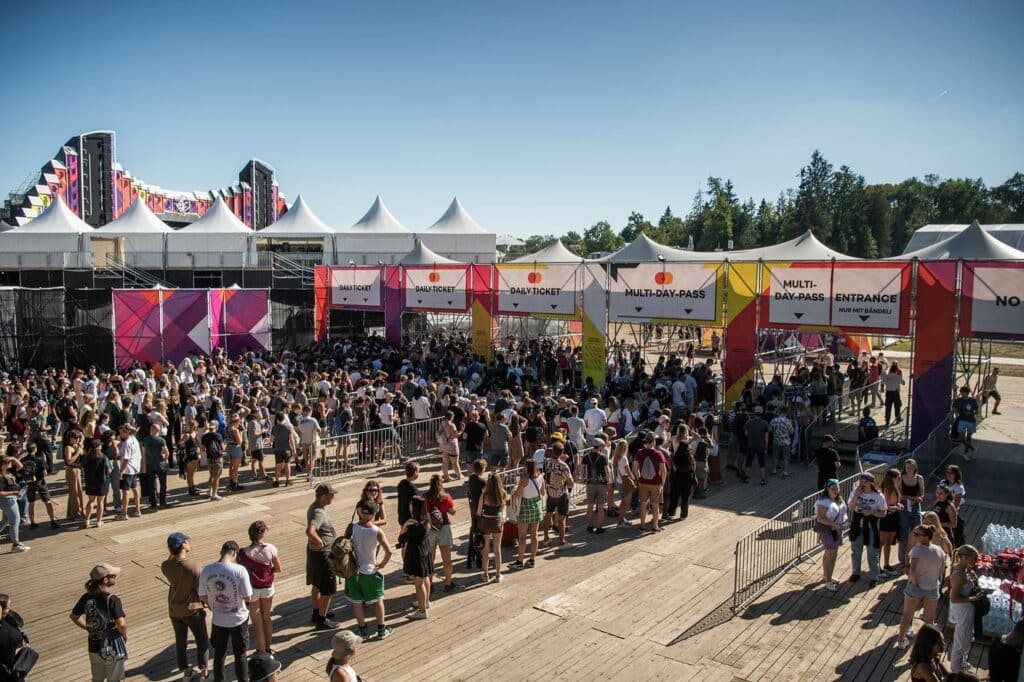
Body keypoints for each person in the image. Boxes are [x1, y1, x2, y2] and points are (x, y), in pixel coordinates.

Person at [198, 541, 252, 682]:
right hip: (238, 619)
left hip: (218, 620)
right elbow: (248, 596)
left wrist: (213, 606)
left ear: (221, 552)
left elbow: (202, 596)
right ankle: (243, 680)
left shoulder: (206, 570)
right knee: (240, 653)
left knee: (219, 653)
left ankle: (219, 680)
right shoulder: (240, 570)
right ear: (234, 553)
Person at [160, 532, 209, 680]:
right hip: (192, 610)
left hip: (174, 610)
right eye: (187, 541)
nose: (189, 543)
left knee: (180, 641)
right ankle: (204, 671)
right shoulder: (193, 567)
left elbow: (168, 561)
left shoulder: (166, 566)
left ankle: (186, 671)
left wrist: (171, 553)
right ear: (182, 545)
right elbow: (201, 590)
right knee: (202, 641)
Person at [69, 563, 127, 682]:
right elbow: (121, 624)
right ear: (105, 580)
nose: (115, 577)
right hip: (111, 646)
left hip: (94, 646)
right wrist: (124, 635)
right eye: (113, 575)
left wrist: (89, 627)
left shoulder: (86, 597)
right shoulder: (112, 599)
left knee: (97, 679)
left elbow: (74, 616)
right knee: (115, 678)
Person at [346, 499, 393, 640]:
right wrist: (382, 564)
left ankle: (363, 630)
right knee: (378, 600)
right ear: (373, 514)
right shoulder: (376, 531)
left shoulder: (352, 528)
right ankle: (381, 630)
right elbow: (389, 551)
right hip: (370, 570)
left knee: (357, 602)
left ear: (360, 512)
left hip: (353, 571)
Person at [896, 525, 947, 650]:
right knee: (930, 620)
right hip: (932, 587)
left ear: (925, 536)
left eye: (917, 534)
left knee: (907, 615)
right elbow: (941, 570)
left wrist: (913, 583)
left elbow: (912, 570)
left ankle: (901, 641)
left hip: (916, 586)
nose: (914, 536)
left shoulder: (917, 550)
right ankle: (927, 646)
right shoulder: (939, 550)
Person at [237, 521, 281, 655]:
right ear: (262, 533)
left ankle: (261, 650)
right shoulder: (270, 549)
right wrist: (268, 572)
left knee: (256, 621)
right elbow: (278, 568)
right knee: (266, 617)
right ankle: (268, 647)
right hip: (267, 587)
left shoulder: (244, 552)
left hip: (252, 588)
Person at [306, 483, 339, 630]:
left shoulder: (314, 507)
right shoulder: (318, 512)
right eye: (331, 494)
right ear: (323, 496)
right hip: (323, 556)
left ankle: (316, 611)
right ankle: (322, 619)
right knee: (328, 589)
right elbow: (310, 531)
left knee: (317, 584)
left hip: (315, 554)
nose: (333, 497)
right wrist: (319, 542)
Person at [948, 544, 983, 674]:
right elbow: (954, 598)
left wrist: (973, 577)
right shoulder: (959, 576)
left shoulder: (964, 571)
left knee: (966, 637)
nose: (975, 562)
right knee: (961, 640)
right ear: (964, 557)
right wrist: (972, 599)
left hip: (966, 609)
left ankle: (962, 663)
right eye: (973, 559)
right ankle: (956, 671)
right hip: (963, 610)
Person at [848, 472, 887, 587]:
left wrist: (871, 512)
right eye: (861, 481)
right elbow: (850, 507)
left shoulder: (878, 496)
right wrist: (856, 495)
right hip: (857, 525)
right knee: (856, 550)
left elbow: (884, 513)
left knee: (872, 552)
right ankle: (856, 572)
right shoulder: (854, 492)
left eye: (865, 482)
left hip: (871, 527)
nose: (862, 484)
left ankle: (874, 576)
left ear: (871, 483)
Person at [398, 495, 433, 619]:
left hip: (417, 554)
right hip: (425, 551)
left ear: (415, 507)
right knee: (425, 578)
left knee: (418, 584)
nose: (409, 506)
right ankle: (426, 601)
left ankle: (422, 611)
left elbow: (401, 539)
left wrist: (404, 527)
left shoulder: (414, 525)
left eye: (411, 504)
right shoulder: (427, 519)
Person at [424, 475, 457, 592]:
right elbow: (453, 512)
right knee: (446, 559)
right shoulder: (446, 497)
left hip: (430, 529)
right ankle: (448, 582)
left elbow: (424, 512)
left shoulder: (426, 497)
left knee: (430, 559)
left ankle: (430, 584)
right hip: (444, 527)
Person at [814, 478, 847, 591]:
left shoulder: (839, 500)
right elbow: (820, 518)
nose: (836, 490)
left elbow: (843, 513)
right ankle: (828, 581)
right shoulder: (823, 502)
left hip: (837, 531)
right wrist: (834, 524)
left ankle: (826, 576)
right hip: (828, 532)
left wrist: (844, 522)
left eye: (837, 488)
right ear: (827, 489)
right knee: (831, 556)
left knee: (828, 555)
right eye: (833, 488)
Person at [511, 459, 544, 569]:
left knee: (522, 537)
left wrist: (514, 490)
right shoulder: (541, 477)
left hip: (525, 508)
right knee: (534, 535)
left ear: (526, 468)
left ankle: (520, 561)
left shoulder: (524, 480)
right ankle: (532, 560)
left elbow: (517, 494)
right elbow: (543, 493)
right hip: (536, 506)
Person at [633, 432, 668, 532]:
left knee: (643, 504)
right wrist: (662, 483)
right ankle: (655, 526)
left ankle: (642, 526)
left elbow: (635, 468)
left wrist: (639, 478)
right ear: (653, 442)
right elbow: (663, 470)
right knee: (655, 505)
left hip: (643, 482)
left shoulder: (639, 452)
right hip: (656, 483)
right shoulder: (659, 454)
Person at [477, 473, 508, 583]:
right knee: (497, 549)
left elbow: (478, 511)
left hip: (486, 521)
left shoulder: (484, 495)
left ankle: (485, 575)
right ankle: (498, 574)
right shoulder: (503, 493)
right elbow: (503, 508)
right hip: (497, 521)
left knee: (485, 550)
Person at [20, 441, 58, 530]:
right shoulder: (39, 459)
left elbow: (21, 472)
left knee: (31, 503)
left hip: (29, 484)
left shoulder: (23, 460)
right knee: (47, 501)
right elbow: (45, 472)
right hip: (40, 483)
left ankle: (33, 522)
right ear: (35, 449)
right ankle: (52, 520)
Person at [542, 442, 573, 546]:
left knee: (548, 515)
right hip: (561, 494)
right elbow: (570, 482)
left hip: (550, 492)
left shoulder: (546, 462)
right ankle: (561, 541)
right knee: (562, 518)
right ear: (562, 452)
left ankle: (546, 537)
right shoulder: (564, 466)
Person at [898, 458, 925, 566]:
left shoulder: (919, 478)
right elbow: (899, 494)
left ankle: (916, 557)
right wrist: (912, 497)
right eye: (907, 466)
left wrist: (917, 499)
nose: (909, 468)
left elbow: (922, 494)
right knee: (904, 533)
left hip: (915, 507)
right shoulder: (901, 478)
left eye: (912, 466)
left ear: (915, 467)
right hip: (904, 507)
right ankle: (902, 559)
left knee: (918, 531)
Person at [581, 437, 610, 533]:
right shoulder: (603, 457)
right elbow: (607, 471)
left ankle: (590, 526)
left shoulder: (586, 456)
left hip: (590, 483)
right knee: (601, 506)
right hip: (601, 484)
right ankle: (599, 527)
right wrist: (608, 481)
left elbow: (582, 471)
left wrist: (585, 479)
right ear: (600, 446)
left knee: (590, 505)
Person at [878, 468, 904, 575]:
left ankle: (886, 564)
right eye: (898, 477)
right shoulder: (884, 489)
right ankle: (877, 565)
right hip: (885, 517)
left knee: (888, 543)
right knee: (881, 543)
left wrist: (898, 505)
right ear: (892, 478)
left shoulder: (895, 488)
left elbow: (894, 502)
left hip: (894, 517)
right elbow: (882, 505)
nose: (900, 479)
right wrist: (890, 508)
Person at [0, 456, 28, 554]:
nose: (10, 463)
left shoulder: (10, 470)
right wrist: (13, 493)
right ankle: (16, 544)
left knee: (5, 520)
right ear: (2, 465)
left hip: (12, 498)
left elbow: (21, 466)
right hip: (6, 499)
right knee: (15, 520)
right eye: (7, 462)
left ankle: (16, 544)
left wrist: (12, 458)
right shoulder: (1, 476)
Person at [665, 436, 696, 523]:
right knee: (685, 498)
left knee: (674, 497)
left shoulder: (675, 457)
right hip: (688, 480)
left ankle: (671, 514)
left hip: (677, 479)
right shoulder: (690, 457)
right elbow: (693, 468)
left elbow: (674, 469)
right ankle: (683, 515)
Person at [0, 594, 30, 681]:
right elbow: (9, 658)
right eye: (7, 608)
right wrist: (23, 650)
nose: (9, 610)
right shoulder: (5, 636)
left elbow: (20, 622)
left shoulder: (7, 618)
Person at [140, 423, 170, 510]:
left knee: (151, 485)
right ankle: (162, 502)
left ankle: (153, 503)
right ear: (158, 430)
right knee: (163, 484)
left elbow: (143, 454)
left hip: (149, 465)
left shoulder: (145, 440)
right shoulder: (161, 440)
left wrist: (143, 466)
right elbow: (167, 452)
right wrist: (165, 458)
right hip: (160, 464)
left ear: (151, 430)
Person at [610, 439, 635, 528]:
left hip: (619, 481)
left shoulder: (615, 457)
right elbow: (628, 472)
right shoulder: (624, 458)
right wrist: (634, 479)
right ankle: (620, 522)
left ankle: (622, 519)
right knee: (626, 504)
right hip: (625, 482)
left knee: (623, 502)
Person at [743, 406, 770, 485]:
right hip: (761, 445)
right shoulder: (765, 423)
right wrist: (766, 447)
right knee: (762, 463)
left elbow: (746, 433)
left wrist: (750, 437)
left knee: (749, 462)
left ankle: (746, 477)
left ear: (754, 413)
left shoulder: (749, 422)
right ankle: (762, 479)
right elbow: (766, 438)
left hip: (751, 444)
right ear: (761, 413)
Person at [64, 430, 86, 521]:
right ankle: (76, 513)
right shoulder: (68, 448)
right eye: (75, 438)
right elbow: (69, 461)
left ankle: (72, 513)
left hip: (78, 470)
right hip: (71, 470)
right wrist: (78, 453)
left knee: (78, 492)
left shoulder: (77, 445)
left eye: (78, 438)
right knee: (74, 493)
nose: (77, 440)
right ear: (70, 438)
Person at [200, 419, 225, 501]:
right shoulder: (218, 436)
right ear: (216, 427)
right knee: (217, 477)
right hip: (217, 458)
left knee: (211, 475)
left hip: (209, 458)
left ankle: (210, 491)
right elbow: (223, 448)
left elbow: (202, 449)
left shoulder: (204, 436)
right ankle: (214, 494)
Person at [952, 386, 980, 460]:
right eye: (961, 392)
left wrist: (971, 413)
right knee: (961, 438)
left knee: (968, 438)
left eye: (963, 392)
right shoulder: (958, 400)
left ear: (967, 393)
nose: (962, 394)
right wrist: (955, 414)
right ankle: (973, 449)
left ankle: (965, 453)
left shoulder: (972, 400)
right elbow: (954, 407)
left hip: (971, 421)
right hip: (962, 420)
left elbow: (976, 411)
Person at [769, 407, 794, 478]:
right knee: (786, 457)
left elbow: (770, 429)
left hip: (776, 440)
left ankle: (774, 470)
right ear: (786, 412)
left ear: (779, 412)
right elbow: (791, 432)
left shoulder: (774, 420)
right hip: (786, 441)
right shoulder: (788, 421)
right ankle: (785, 471)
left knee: (775, 456)